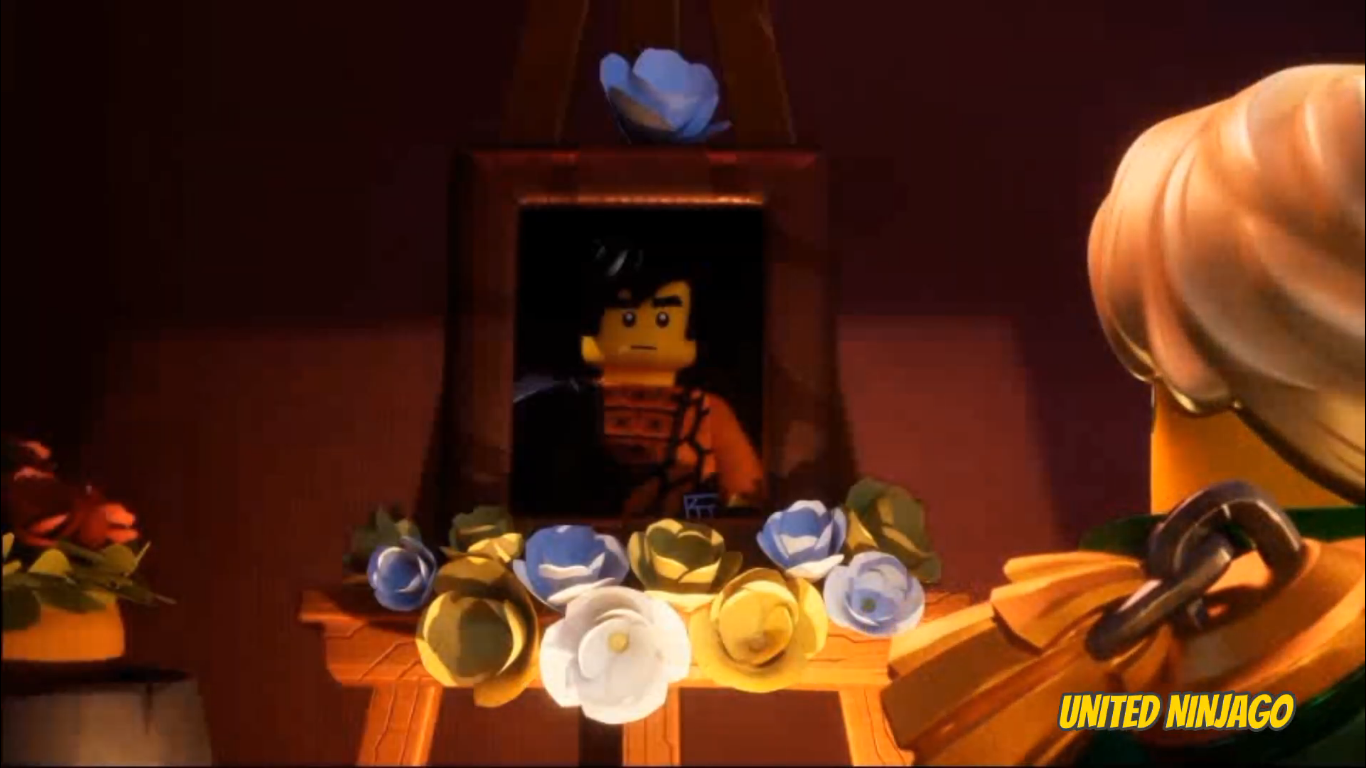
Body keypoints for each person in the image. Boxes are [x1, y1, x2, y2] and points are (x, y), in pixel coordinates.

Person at [512, 241, 765, 520]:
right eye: (628, 318)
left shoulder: (708, 410)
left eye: (663, 319)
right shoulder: (558, 404)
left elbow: (746, 494)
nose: (645, 331)